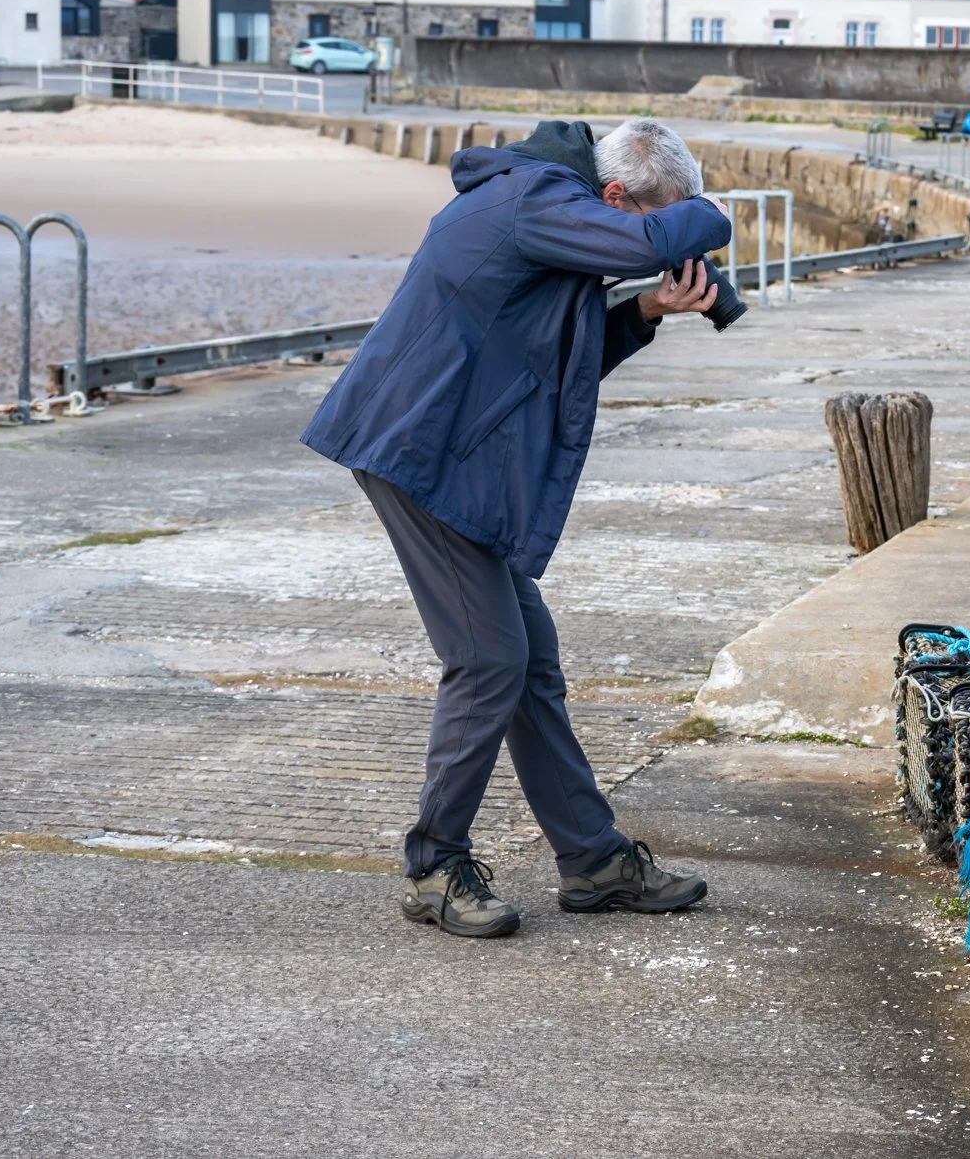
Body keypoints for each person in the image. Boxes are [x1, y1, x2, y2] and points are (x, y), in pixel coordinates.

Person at [301, 119, 733, 938]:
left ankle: (594, 860)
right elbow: (678, 228)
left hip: (453, 450)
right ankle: (433, 866)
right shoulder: (534, 197)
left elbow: (551, 354)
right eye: (643, 227)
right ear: (614, 198)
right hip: (416, 448)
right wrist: (697, 218)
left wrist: (645, 305)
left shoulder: (545, 212)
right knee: (489, 657)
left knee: (528, 660)